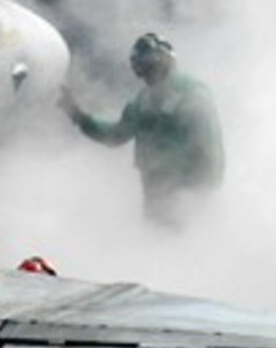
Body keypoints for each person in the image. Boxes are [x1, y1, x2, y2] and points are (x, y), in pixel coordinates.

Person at [59, 32, 224, 226]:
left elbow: (210, 147)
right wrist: (79, 116)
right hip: (155, 191)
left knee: (184, 243)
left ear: (165, 62)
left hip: (186, 195)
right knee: (157, 243)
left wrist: (199, 194)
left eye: (150, 65)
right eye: (141, 67)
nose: (146, 74)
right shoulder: (143, 102)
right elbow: (115, 136)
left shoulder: (192, 95)